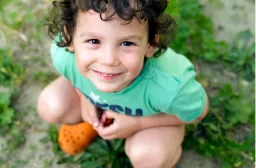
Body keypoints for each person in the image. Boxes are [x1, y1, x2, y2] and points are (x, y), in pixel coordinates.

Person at [37, 0, 209, 167]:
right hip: (97, 100)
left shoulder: (167, 88)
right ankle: (92, 122)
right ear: (70, 38)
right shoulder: (64, 56)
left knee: (150, 155)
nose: (109, 60)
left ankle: (162, 158)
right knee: (51, 105)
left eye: (127, 43)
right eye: (94, 41)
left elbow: (198, 112)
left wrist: (138, 124)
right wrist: (84, 98)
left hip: (150, 118)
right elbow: (72, 76)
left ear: (151, 44)